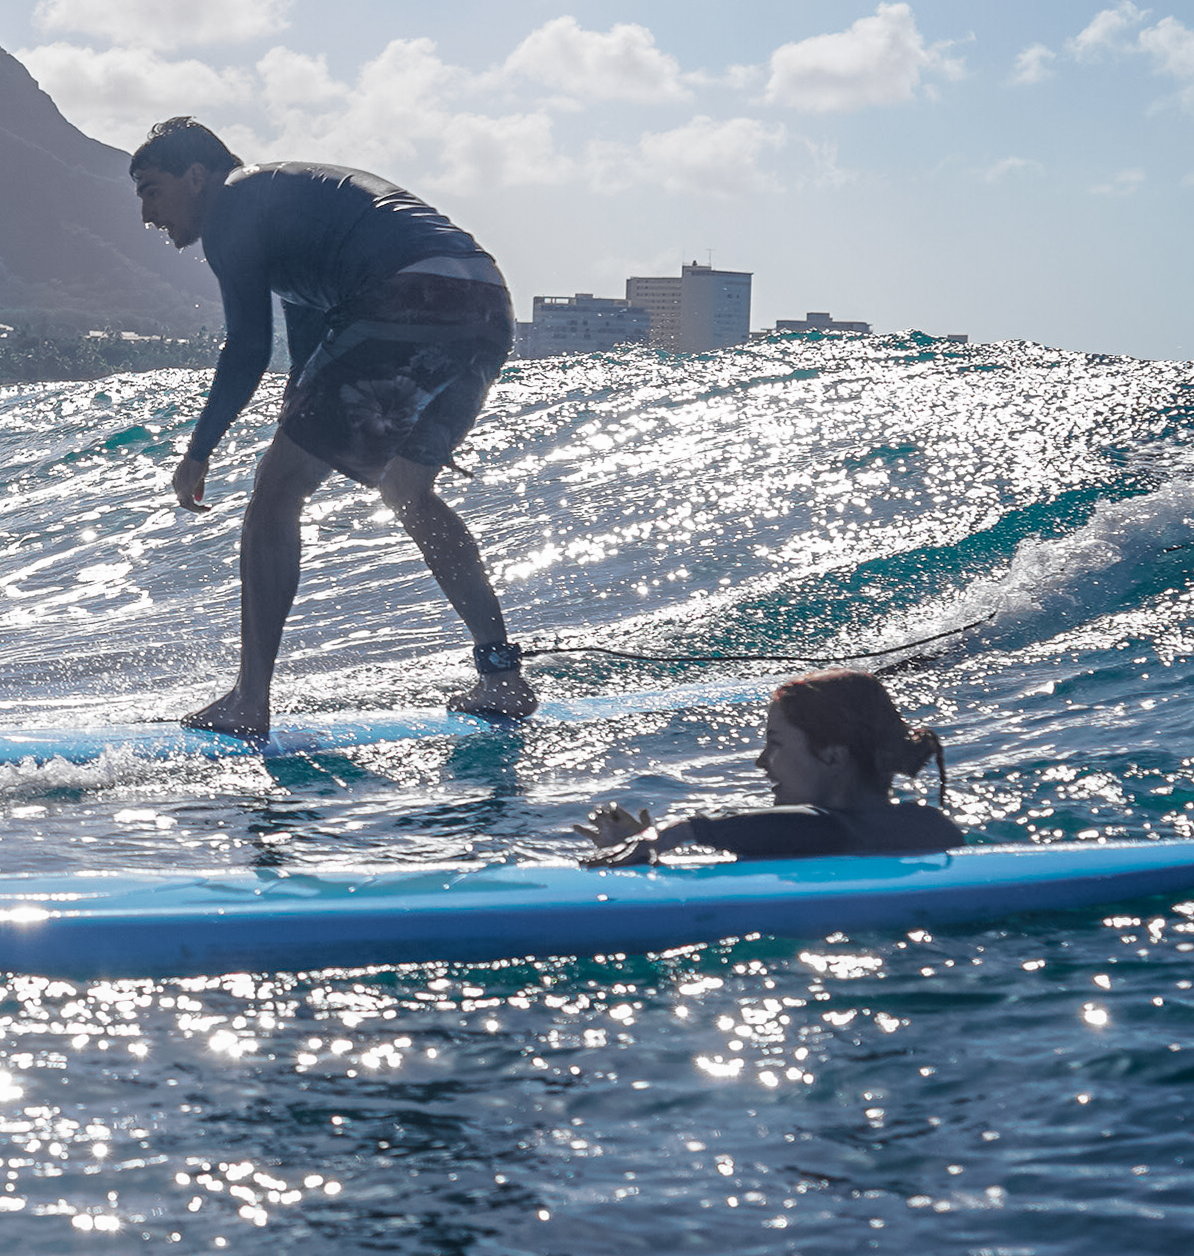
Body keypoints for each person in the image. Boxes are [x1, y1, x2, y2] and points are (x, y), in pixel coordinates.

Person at [128, 117, 530, 735]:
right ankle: (501, 677)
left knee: (275, 496)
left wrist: (199, 451)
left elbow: (247, 349)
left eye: (151, 190)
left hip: (407, 293)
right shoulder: (283, 213)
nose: (149, 215)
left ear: (196, 175)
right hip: (482, 300)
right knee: (407, 490)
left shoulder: (233, 208)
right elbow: (310, 359)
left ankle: (249, 702)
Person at [577, 670, 959, 865]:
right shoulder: (926, 826)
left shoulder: (915, 826)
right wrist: (638, 856)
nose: (761, 761)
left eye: (775, 744)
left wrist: (679, 831)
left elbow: (823, 827)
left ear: (832, 754)